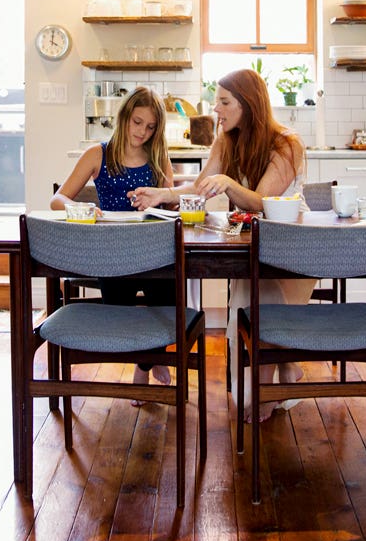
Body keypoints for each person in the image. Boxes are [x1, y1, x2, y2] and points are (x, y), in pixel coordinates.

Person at [130, 68, 313, 423]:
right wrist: (162, 194)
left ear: (249, 104)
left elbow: (262, 201)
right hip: (252, 244)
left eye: (224, 102)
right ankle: (286, 371)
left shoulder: (286, 143)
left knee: (266, 301)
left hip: (293, 246)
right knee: (257, 303)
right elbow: (200, 186)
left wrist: (229, 183)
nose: (216, 110)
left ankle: (267, 390)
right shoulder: (225, 138)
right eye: (217, 102)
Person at [51, 86, 175, 395]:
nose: (142, 132)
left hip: (153, 250)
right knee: (119, 312)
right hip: (111, 253)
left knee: (167, 307)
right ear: (123, 118)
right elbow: (58, 198)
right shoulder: (98, 153)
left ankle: (147, 361)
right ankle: (149, 358)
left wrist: (157, 200)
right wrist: (83, 208)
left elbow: (172, 203)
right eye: (137, 122)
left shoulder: (158, 155)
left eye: (150, 127)